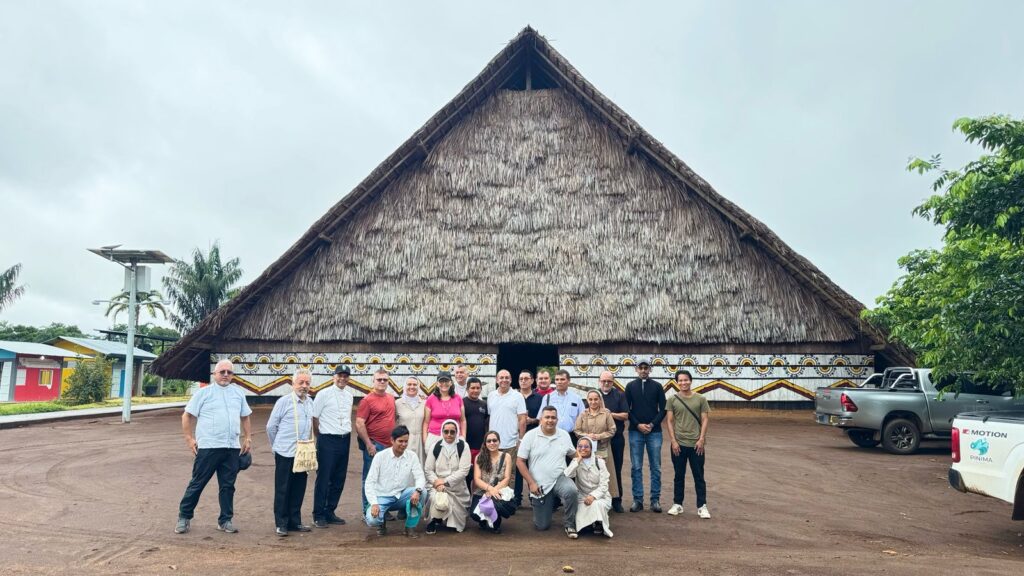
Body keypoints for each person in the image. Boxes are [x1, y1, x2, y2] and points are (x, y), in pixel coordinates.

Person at [175, 359, 252, 535]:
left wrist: (248, 438)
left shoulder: (238, 393)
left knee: (228, 486)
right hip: (209, 447)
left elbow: (245, 416)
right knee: (197, 483)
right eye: (222, 372)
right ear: (214, 374)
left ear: (232, 375)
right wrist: (189, 439)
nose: (225, 375)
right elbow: (186, 416)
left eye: (229, 372)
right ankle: (184, 517)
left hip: (231, 447)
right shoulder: (203, 393)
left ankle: (225, 520)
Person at [517, 406, 579, 538]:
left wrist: (591, 457)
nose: (550, 420)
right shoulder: (530, 436)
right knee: (542, 526)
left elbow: (574, 454)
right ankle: (547, 504)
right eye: (547, 417)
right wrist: (531, 483)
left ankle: (570, 524)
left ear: (557, 420)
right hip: (540, 484)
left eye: (553, 417)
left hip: (560, 478)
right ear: (541, 419)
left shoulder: (564, 435)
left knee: (572, 491)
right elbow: (520, 461)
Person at [267, 369, 316, 536]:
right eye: (301, 382)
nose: (304, 386)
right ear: (293, 384)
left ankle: (295, 521)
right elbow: (271, 427)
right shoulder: (284, 402)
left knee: (298, 488)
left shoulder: (310, 402)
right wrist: (276, 447)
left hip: (302, 454)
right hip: (285, 452)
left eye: (307, 383)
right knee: (283, 488)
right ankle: (281, 523)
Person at [364, 425, 428, 537]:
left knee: (423, 492)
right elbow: (369, 482)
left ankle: (410, 526)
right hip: (381, 497)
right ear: (392, 440)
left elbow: (420, 477)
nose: (403, 444)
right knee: (372, 520)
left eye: (406, 441)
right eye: (400, 441)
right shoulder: (380, 456)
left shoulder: (412, 456)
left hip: (401, 495)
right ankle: (381, 521)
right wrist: (374, 503)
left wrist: (417, 491)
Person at [664, 370, 711, 519]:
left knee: (699, 476)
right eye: (680, 380)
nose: (683, 383)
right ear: (677, 382)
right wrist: (673, 441)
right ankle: (677, 504)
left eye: (686, 380)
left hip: (697, 444)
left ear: (691, 381)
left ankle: (702, 506)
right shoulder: (672, 399)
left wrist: (701, 439)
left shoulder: (701, 399)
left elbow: (705, 419)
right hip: (678, 444)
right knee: (679, 475)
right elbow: (669, 421)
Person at [311, 365, 354, 528]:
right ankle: (318, 514)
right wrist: (320, 436)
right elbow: (314, 417)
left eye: (345, 376)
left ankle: (330, 511)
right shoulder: (323, 394)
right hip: (327, 439)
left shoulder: (349, 396)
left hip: (344, 439)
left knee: (339, 477)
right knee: (324, 477)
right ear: (334, 377)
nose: (342, 378)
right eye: (339, 375)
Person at [625, 359, 666, 513]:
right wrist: (637, 424)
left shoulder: (657, 386)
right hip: (635, 431)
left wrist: (652, 424)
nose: (643, 370)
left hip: (654, 432)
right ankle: (638, 500)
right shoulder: (630, 386)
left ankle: (655, 500)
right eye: (640, 368)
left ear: (650, 369)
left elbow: (663, 409)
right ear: (636, 369)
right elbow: (627, 409)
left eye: (646, 368)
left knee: (656, 467)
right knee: (636, 467)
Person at [356, 369, 397, 513]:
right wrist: (368, 444)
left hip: (389, 446)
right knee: (370, 478)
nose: (382, 382)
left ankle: (382, 509)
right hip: (374, 445)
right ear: (373, 381)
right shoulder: (367, 400)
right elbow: (359, 423)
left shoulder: (391, 398)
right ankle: (367, 510)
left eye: (385, 379)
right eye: (379, 379)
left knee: (385, 479)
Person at [424, 419, 473, 533]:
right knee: (435, 498)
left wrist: (445, 481)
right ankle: (435, 519)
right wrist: (437, 483)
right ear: (442, 432)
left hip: (457, 487)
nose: (449, 434)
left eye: (452, 432)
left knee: (456, 527)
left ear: (457, 432)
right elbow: (428, 470)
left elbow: (464, 471)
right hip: (437, 485)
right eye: (446, 432)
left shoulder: (463, 446)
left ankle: (449, 519)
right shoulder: (435, 446)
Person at [573, 390, 619, 503]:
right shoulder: (583, 414)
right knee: (587, 474)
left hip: (602, 448)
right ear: (587, 400)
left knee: (604, 474)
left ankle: (608, 500)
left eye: (596, 399)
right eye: (590, 399)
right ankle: (586, 499)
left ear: (600, 400)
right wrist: (587, 436)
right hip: (585, 450)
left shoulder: (606, 413)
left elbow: (612, 430)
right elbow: (577, 430)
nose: (593, 402)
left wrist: (599, 436)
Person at [487, 369, 527, 497]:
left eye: (507, 377)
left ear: (511, 380)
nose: (504, 380)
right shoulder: (491, 395)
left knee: (510, 474)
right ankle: (494, 499)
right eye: (501, 377)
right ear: (496, 380)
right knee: (492, 472)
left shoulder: (517, 396)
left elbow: (522, 419)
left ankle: (507, 501)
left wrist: (521, 440)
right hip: (493, 443)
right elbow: (491, 416)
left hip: (511, 442)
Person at [564, 437, 614, 538]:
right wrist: (578, 460)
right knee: (580, 513)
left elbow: (604, 485)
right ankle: (589, 523)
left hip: (600, 496)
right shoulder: (575, 461)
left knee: (596, 504)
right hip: (582, 496)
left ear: (591, 448)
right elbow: (568, 475)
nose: (583, 449)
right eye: (580, 446)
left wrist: (593, 496)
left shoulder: (599, 462)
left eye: (586, 446)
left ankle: (598, 522)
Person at [471, 430, 513, 533]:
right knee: (474, 515)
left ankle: (496, 520)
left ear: (499, 442)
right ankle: (483, 520)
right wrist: (489, 489)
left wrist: (494, 490)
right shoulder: (479, 457)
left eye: (494, 440)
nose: (492, 443)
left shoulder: (506, 457)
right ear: (485, 443)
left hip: (499, 490)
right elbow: (477, 479)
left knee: (495, 523)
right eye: (489, 441)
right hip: (482, 491)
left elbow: (507, 478)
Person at [598, 370, 629, 513]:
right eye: (603, 381)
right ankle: (599, 499)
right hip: (599, 440)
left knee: (616, 469)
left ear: (613, 382)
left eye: (609, 381)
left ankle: (617, 500)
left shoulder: (620, 395)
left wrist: (610, 413)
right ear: (599, 381)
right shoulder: (595, 395)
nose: (606, 383)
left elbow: (625, 415)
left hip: (616, 439)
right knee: (598, 470)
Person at [516, 370, 544, 506]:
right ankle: (516, 498)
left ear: (532, 381)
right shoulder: (514, 396)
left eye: (526, 378)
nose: (523, 381)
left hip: (534, 436)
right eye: (521, 379)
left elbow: (543, 418)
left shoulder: (540, 398)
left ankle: (534, 495)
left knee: (534, 467)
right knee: (517, 467)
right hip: (517, 436)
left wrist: (532, 420)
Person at [422, 371, 466, 451]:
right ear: (437, 384)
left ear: (451, 383)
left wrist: (463, 437)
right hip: (435, 436)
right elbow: (426, 422)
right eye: (441, 381)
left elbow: (463, 420)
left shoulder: (458, 398)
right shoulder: (431, 399)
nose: (444, 384)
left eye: (446, 381)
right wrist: (425, 440)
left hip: (455, 436)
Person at [541, 370, 584, 439]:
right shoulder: (547, 398)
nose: (559, 382)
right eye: (557, 380)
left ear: (568, 381)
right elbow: (541, 419)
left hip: (572, 436)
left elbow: (583, 418)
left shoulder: (577, 398)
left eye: (562, 379)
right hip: (552, 436)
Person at [396, 376, 427, 466]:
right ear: (405, 386)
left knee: (420, 466)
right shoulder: (398, 403)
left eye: (414, 384)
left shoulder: (425, 403)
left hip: (420, 441)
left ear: (418, 387)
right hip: (404, 441)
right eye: (409, 384)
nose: (412, 387)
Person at [463, 377, 489, 463]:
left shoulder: (484, 404)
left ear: (481, 389)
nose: (476, 390)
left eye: (478, 388)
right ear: (467, 389)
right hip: (465, 446)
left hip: (480, 446)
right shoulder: (462, 403)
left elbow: (486, 424)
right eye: (473, 388)